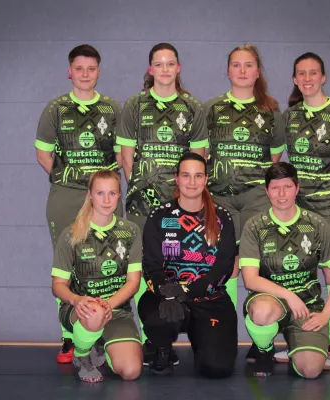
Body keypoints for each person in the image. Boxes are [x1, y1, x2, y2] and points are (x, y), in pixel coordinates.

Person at [116, 42, 209, 363]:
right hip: (142, 206)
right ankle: (151, 339)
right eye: (159, 64)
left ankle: (173, 335)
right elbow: (126, 156)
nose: (165, 69)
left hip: (180, 207)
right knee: (145, 267)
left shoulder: (193, 107)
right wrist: (142, 186)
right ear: (150, 69)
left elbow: (198, 157)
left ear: (178, 68)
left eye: (170, 63)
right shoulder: (134, 104)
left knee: (176, 265)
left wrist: (183, 199)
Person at [274, 52, 330, 369]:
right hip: (296, 210)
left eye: (313, 73)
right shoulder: (289, 117)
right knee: (297, 275)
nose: (307, 78)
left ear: (323, 77)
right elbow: (275, 161)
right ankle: (301, 341)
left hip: (329, 211)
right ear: (295, 79)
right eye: (301, 73)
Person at [35, 44, 122, 363]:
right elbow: (43, 155)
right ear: (69, 72)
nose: (85, 74)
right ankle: (70, 336)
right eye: (79, 68)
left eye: (91, 68)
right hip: (66, 198)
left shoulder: (113, 108)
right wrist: (70, 180)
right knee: (68, 268)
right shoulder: (55, 108)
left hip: (105, 199)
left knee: (105, 264)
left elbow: (121, 155)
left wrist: (101, 190)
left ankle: (101, 334)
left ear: (99, 71)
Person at [203, 44, 286, 334]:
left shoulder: (271, 109)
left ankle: (261, 339)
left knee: (258, 266)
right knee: (224, 266)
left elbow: (274, 156)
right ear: (228, 71)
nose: (242, 70)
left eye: (248, 65)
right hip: (219, 198)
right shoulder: (212, 108)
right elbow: (202, 153)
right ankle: (221, 332)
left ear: (257, 71)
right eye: (236, 65)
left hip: (256, 199)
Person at [240, 162, 330, 379]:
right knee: (261, 311)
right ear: (267, 191)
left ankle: (296, 344)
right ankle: (264, 350)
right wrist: (289, 296)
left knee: (311, 371)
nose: (281, 194)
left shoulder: (316, 223)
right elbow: (250, 280)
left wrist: (326, 314)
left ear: (297, 188)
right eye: (275, 188)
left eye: (287, 187)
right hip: (271, 301)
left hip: (307, 307)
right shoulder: (255, 226)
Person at [137, 153, 237, 378]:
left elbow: (223, 268)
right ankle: (161, 347)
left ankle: (202, 337)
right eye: (186, 175)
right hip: (167, 296)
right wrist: (166, 292)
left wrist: (187, 291)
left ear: (206, 179)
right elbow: (151, 265)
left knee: (216, 369)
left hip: (209, 299)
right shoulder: (159, 216)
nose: (192, 182)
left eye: (198, 176)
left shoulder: (223, 218)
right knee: (162, 317)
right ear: (177, 179)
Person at [51, 170, 143, 382]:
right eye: (100, 193)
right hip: (80, 309)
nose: (106, 200)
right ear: (90, 195)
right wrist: (77, 300)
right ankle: (81, 353)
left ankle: (99, 344)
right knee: (94, 312)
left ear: (119, 195)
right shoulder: (71, 234)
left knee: (131, 372)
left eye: (112, 193)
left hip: (116, 310)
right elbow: (58, 285)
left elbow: (133, 282)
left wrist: (109, 305)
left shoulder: (130, 231)